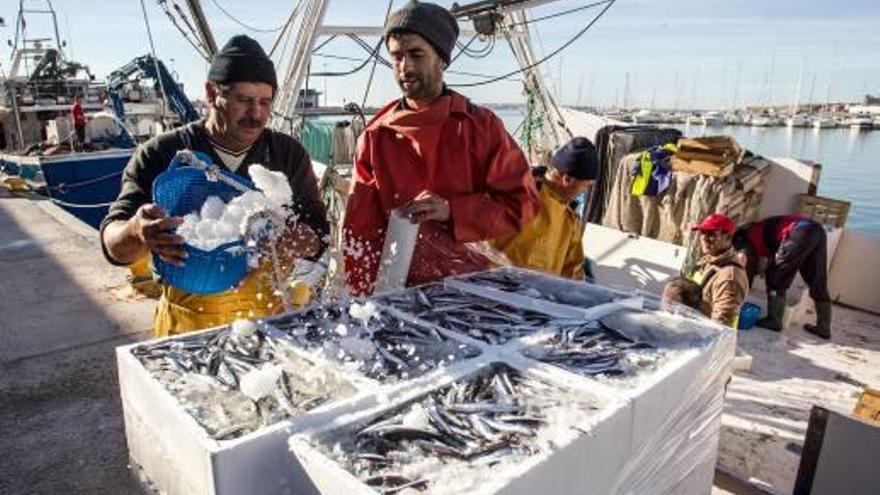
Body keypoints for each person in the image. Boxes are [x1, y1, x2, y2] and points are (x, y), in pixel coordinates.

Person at [100, 35, 329, 337]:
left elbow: (320, 234)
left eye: (265, 102)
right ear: (211, 93)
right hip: (186, 328)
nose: (256, 115)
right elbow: (112, 245)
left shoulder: (287, 154)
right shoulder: (161, 153)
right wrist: (136, 231)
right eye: (244, 100)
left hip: (267, 323)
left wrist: (290, 240)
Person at [342, 1, 539, 296]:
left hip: (470, 291)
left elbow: (523, 205)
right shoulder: (375, 137)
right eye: (396, 57)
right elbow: (360, 233)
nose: (404, 67)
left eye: (416, 55)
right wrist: (363, 300)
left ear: (442, 60)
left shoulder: (481, 127)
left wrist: (453, 211)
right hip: (398, 292)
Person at [492, 137, 598, 279]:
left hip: (538, 297)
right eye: (585, 185)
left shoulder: (570, 218)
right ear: (567, 179)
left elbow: (573, 272)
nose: (584, 191)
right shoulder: (516, 198)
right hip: (497, 292)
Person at [733, 215, 831, 338]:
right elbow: (776, 251)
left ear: (741, 240)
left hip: (799, 232)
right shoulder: (762, 229)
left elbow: (750, 257)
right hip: (817, 231)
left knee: (775, 275)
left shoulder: (750, 235)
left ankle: (774, 320)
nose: (742, 252)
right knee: (817, 279)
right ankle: (824, 327)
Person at [665, 214, 749, 327]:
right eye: (702, 233)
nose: (704, 238)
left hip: (705, 336)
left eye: (711, 234)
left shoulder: (730, 277)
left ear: (728, 237)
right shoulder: (708, 260)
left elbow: (721, 325)